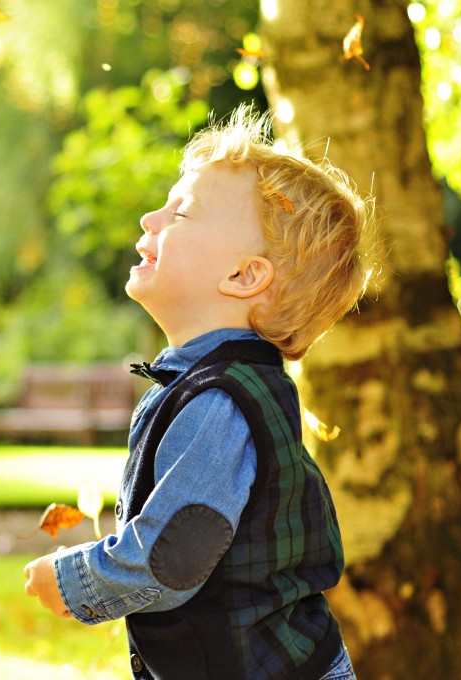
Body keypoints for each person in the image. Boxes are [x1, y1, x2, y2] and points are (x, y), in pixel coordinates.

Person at [23, 104, 375, 680]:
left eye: (179, 213)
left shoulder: (220, 403)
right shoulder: (215, 383)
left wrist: (75, 580)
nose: (149, 218)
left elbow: (173, 556)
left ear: (243, 277)